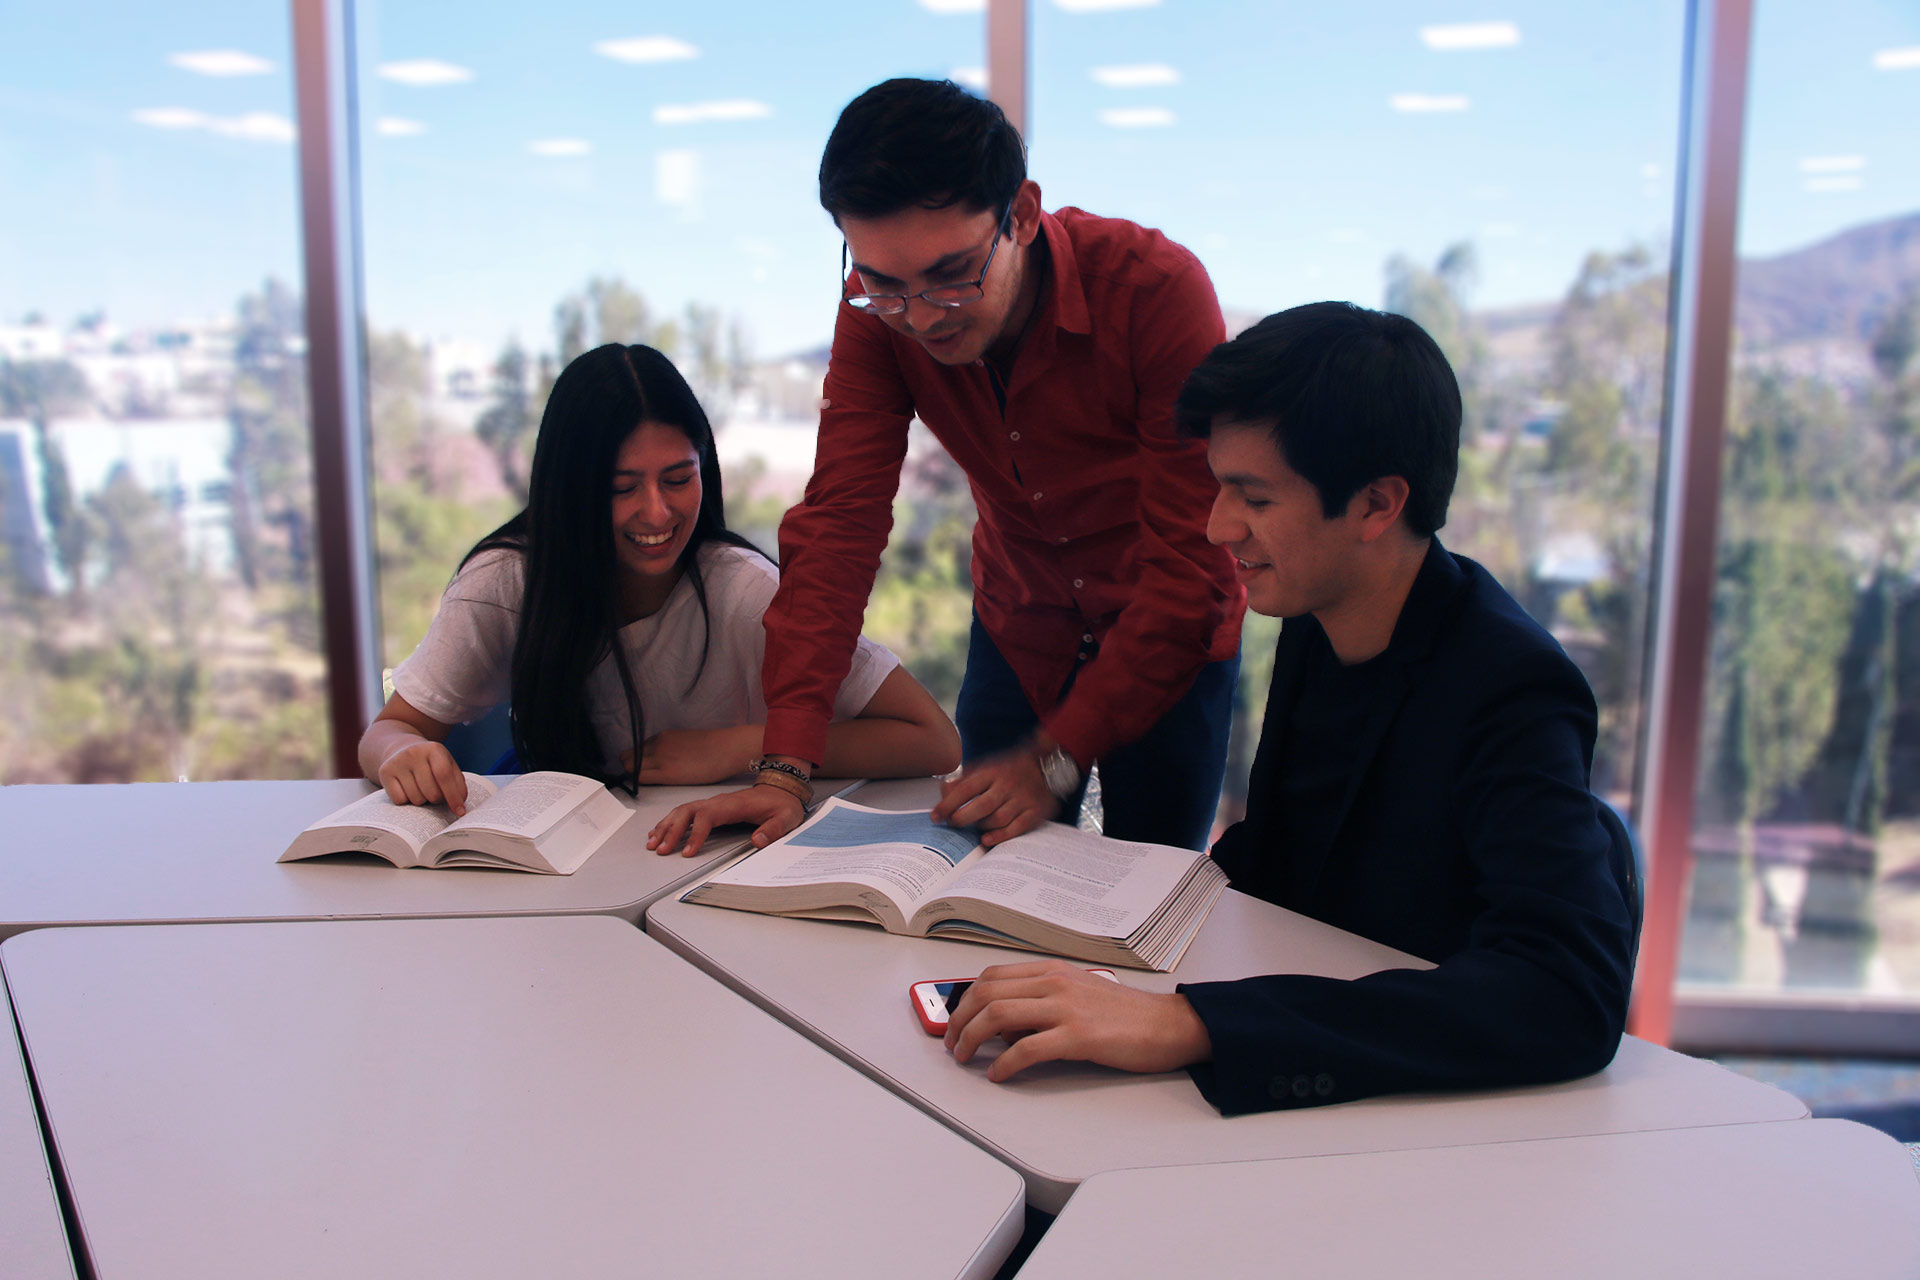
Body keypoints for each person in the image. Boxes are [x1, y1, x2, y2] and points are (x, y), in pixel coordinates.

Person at [941, 302, 1636, 1114]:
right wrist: (1082, 926)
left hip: (1444, 1133)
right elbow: (1281, 860)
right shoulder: (1319, 619)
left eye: (1255, 499)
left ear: (1377, 505)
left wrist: (1191, 1025)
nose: (1214, 525)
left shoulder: (1513, 684)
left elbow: (1565, 994)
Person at [698, 77, 1244, 854]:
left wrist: (1054, 763)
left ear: (1021, 215)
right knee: (975, 874)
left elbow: (1193, 569)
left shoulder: (1154, 291)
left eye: (952, 276)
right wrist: (785, 767)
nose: (919, 317)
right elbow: (839, 529)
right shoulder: (878, 320)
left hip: (1164, 635)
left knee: (1146, 894)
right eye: (883, 283)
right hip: (1021, 623)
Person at [358, 343, 959, 853]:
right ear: (567, 490)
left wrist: (739, 750)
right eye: (621, 488)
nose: (657, 512)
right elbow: (390, 730)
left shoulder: (744, 591)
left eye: (678, 478)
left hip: (712, 865)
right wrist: (402, 754)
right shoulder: (505, 583)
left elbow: (932, 739)